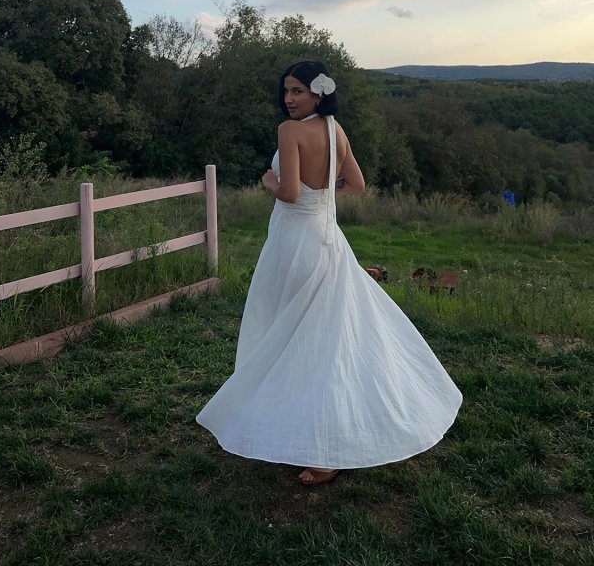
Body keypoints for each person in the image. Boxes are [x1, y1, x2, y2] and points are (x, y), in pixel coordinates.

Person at [196, 60, 463, 486]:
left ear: (318, 94)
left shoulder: (290, 131)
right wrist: (322, 196)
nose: (289, 99)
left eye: (298, 91)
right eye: (286, 91)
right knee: (320, 335)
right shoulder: (336, 130)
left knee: (293, 333)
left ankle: (318, 448)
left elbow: (289, 192)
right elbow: (356, 185)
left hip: (295, 242)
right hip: (327, 240)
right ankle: (310, 430)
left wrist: (268, 182)